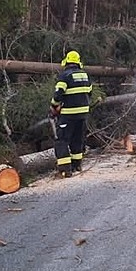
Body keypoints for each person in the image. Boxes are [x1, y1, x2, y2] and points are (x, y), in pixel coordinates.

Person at [50, 50, 92, 178]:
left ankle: (64, 169)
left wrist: (54, 106)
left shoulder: (65, 76)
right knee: (77, 139)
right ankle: (76, 165)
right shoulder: (85, 75)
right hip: (83, 114)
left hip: (68, 114)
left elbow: (58, 94)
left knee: (61, 140)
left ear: (67, 62)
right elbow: (89, 93)